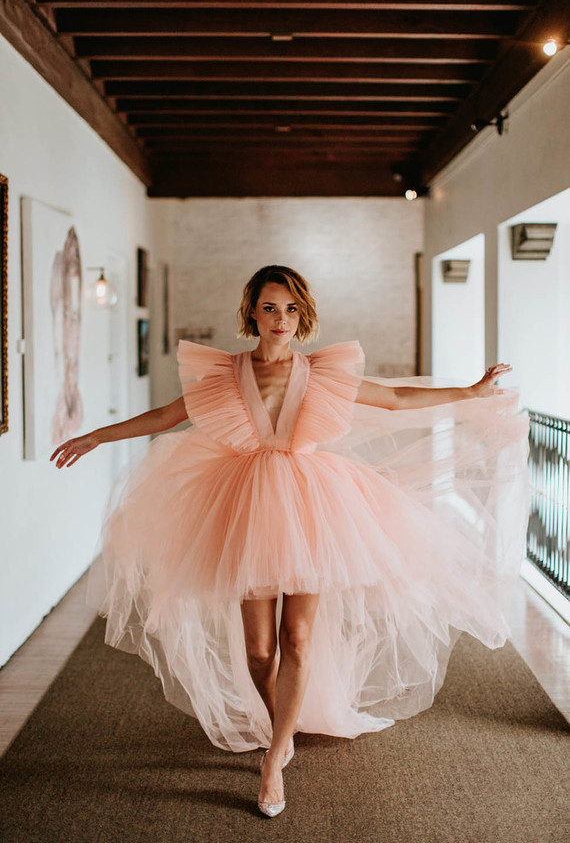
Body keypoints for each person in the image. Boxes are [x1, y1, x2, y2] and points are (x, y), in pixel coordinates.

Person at [51, 265, 530, 818]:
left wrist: (470, 391)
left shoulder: (322, 373)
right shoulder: (223, 375)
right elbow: (165, 415)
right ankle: (282, 721)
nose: (282, 319)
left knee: (297, 640)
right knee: (259, 652)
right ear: (251, 311)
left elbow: (396, 398)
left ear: (303, 315)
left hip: (312, 507)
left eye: (292, 309)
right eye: (271, 307)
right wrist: (93, 436)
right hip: (246, 507)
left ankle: (275, 757)